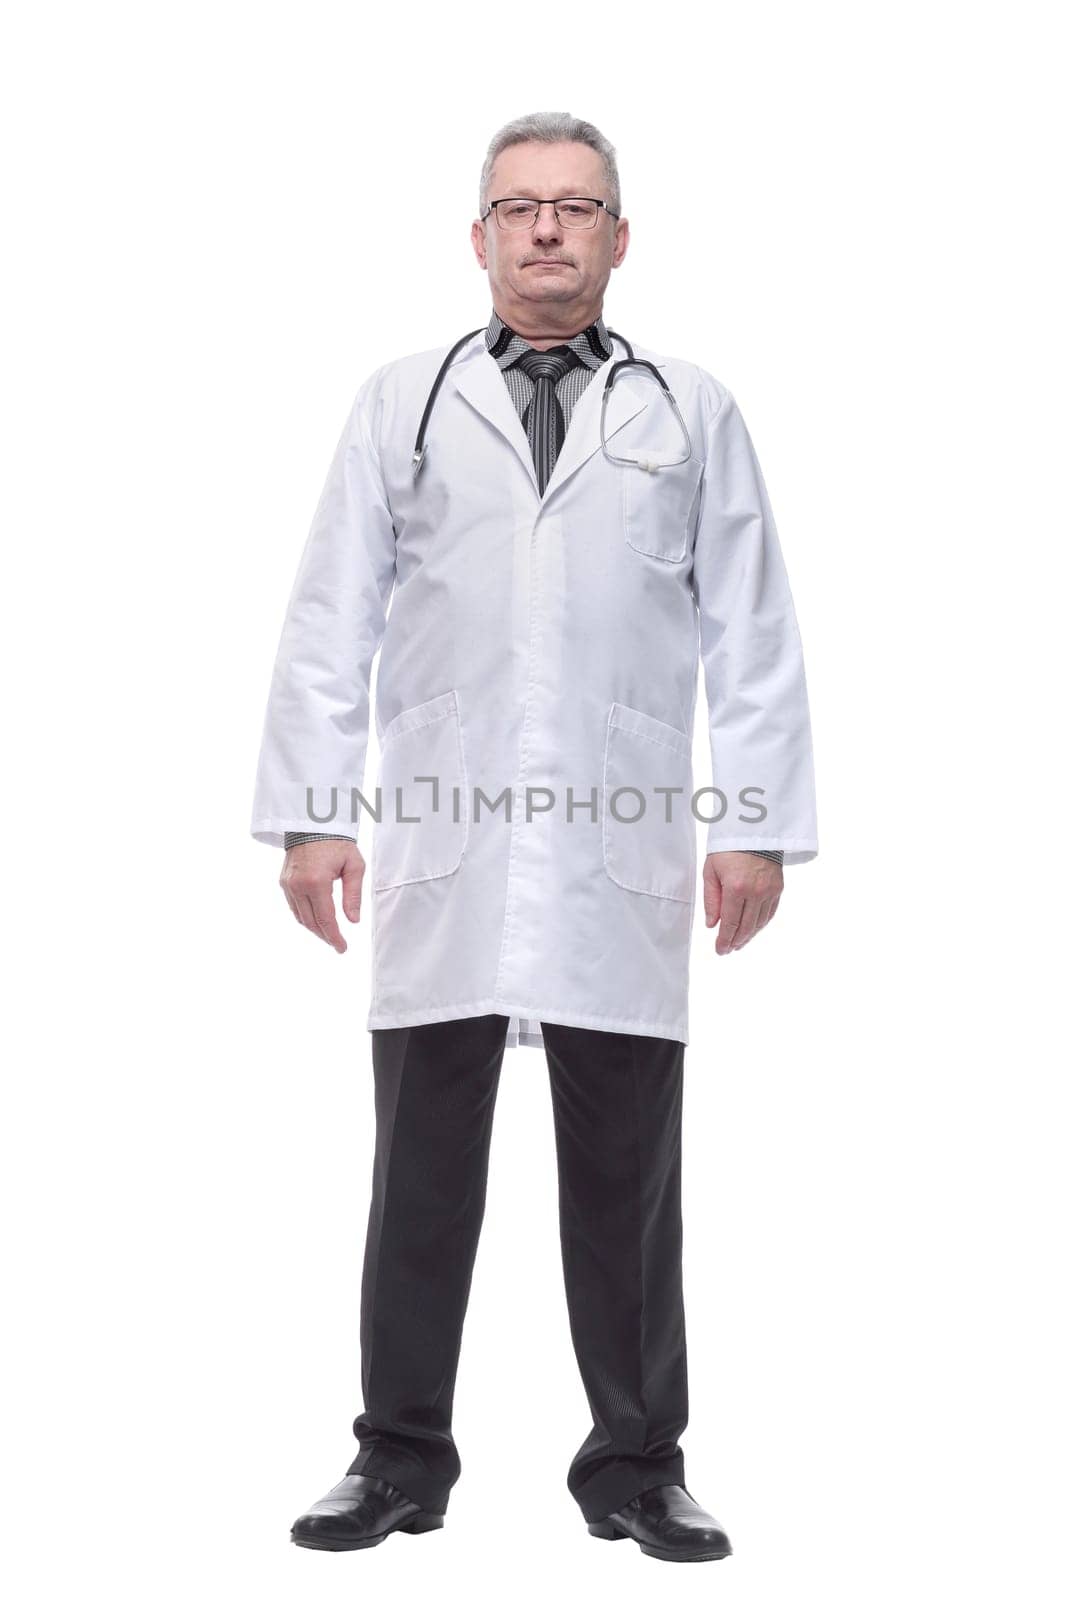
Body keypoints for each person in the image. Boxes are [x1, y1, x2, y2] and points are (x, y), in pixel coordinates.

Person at [250, 110, 818, 1563]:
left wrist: (750, 824)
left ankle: (635, 1466)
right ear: (480, 237)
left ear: (620, 238)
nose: (547, 230)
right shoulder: (405, 402)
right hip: (443, 835)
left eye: (576, 208)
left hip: (616, 849)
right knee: (420, 1170)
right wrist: (315, 814)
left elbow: (750, 627)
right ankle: (397, 1461)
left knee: (627, 1180)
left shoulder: (688, 409)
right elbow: (333, 614)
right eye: (519, 208)